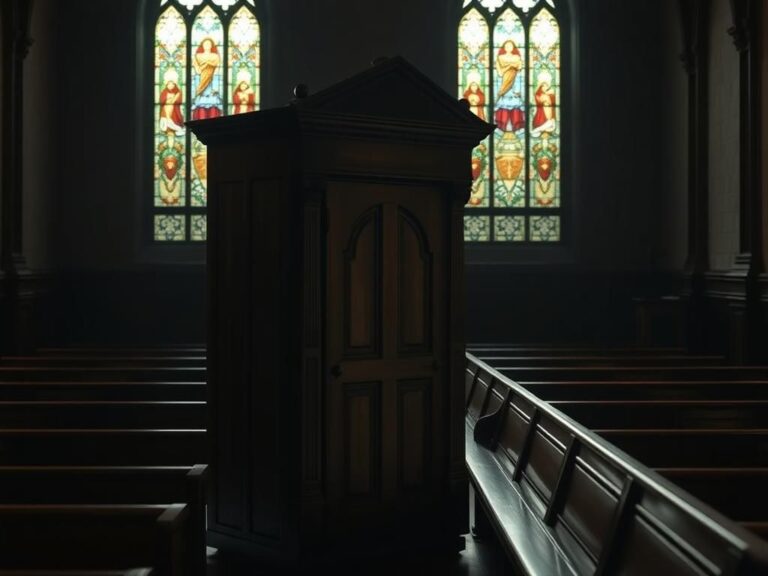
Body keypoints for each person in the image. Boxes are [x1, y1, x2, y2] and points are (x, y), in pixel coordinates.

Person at [494, 39, 525, 133]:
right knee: (503, 105)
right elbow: (500, 72)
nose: (508, 47)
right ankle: (500, 127)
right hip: (503, 82)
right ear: (504, 47)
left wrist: (511, 66)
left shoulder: (517, 57)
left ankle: (517, 127)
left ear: (513, 47)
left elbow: (519, 67)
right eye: (506, 46)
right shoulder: (500, 58)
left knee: (516, 105)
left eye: (510, 46)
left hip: (515, 81)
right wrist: (510, 66)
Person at [192, 37, 222, 120]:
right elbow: (197, 69)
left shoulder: (215, 56)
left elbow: (217, 69)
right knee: (201, 106)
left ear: (212, 45)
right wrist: (206, 65)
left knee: (213, 106)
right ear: (202, 45)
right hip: (200, 80)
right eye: (205, 44)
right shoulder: (198, 56)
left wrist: (215, 85)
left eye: (209, 44)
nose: (207, 45)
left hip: (212, 80)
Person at [159, 69, 185, 140]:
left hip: (175, 110)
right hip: (165, 111)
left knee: (175, 120)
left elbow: (179, 101)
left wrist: (174, 98)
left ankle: (177, 129)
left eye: (172, 84)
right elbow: (162, 100)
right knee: (166, 122)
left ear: (175, 84)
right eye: (169, 84)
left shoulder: (178, 92)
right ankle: (168, 129)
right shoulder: (164, 92)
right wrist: (168, 99)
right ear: (166, 84)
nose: (170, 85)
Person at [532, 71, 557, 136]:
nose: (546, 88)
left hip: (548, 116)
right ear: (541, 87)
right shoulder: (539, 95)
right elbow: (541, 100)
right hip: (541, 115)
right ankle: (537, 130)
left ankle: (537, 130)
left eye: (547, 86)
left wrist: (549, 95)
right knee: (549, 123)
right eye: (544, 86)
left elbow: (551, 102)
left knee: (551, 124)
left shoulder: (549, 95)